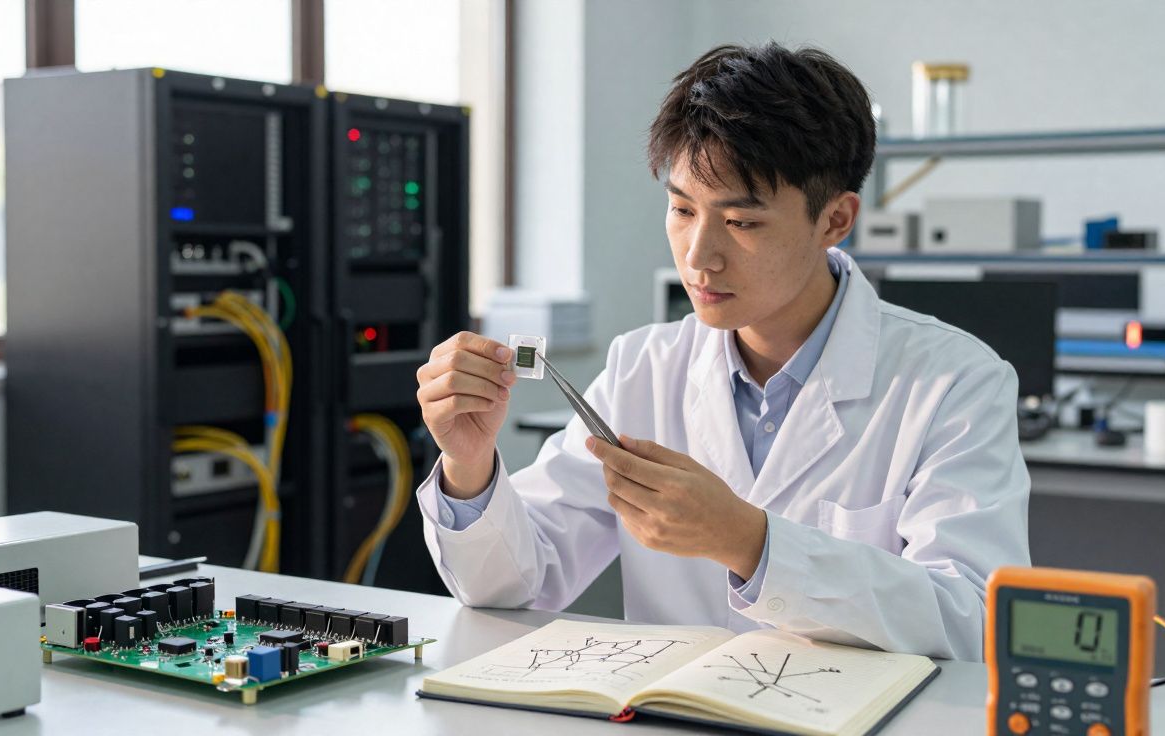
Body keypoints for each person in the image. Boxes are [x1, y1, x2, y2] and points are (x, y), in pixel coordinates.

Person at [413, 42, 1029, 661]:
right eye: (682, 209)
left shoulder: (955, 382)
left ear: (836, 220)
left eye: (741, 223)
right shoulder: (642, 369)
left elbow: (972, 622)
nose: (698, 256)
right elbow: (521, 585)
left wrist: (753, 544)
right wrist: (470, 468)